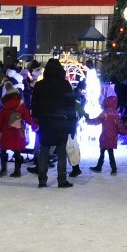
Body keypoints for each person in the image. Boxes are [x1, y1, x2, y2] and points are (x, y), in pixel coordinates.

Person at [30, 57, 79, 187]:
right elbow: (71, 106)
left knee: (44, 149)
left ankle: (42, 179)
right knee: (61, 150)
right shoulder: (65, 85)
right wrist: (72, 124)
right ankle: (62, 179)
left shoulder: (40, 85)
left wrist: (36, 118)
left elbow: (34, 105)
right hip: (61, 121)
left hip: (45, 120)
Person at [0, 82, 35, 178]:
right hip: (18, 131)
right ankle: (17, 171)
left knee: (3, 150)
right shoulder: (21, 105)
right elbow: (28, 118)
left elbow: (1, 122)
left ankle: (3, 170)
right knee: (17, 151)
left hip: (6, 131)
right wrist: (36, 126)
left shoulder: (4, 106)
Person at [87, 94, 124, 174]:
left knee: (102, 152)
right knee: (110, 153)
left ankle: (99, 167)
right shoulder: (116, 114)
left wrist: (88, 121)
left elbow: (97, 121)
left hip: (105, 136)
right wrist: (123, 131)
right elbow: (120, 126)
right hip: (112, 137)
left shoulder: (104, 113)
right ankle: (113, 169)